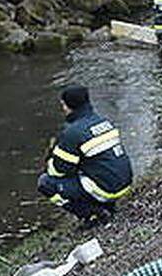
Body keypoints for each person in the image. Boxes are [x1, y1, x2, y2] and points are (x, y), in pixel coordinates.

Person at [37, 85, 133, 227]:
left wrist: (52, 154)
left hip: (106, 189)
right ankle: (108, 206)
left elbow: (58, 171)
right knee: (94, 165)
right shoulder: (104, 122)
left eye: (63, 105)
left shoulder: (72, 133)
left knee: (45, 183)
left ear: (69, 106)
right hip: (125, 183)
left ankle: (92, 213)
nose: (63, 109)